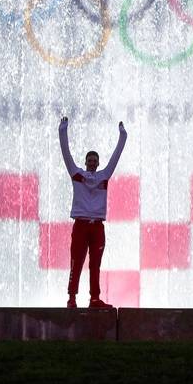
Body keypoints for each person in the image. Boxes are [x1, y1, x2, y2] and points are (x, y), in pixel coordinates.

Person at [58, 116, 127, 308]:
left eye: (94, 160)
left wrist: (123, 135)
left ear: (98, 163)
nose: (92, 162)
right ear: (86, 162)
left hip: (97, 227)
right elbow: (66, 154)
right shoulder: (77, 174)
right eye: (89, 160)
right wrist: (62, 130)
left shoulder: (104, 176)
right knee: (76, 262)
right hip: (80, 225)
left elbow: (116, 157)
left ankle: (94, 299)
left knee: (95, 265)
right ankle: (72, 298)